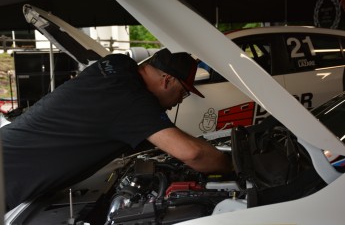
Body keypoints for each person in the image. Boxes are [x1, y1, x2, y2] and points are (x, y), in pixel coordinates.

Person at [1, 48, 232, 211]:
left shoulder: (118, 65)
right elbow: (194, 154)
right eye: (183, 92)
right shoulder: (130, 100)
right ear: (167, 80)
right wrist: (232, 168)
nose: (180, 101)